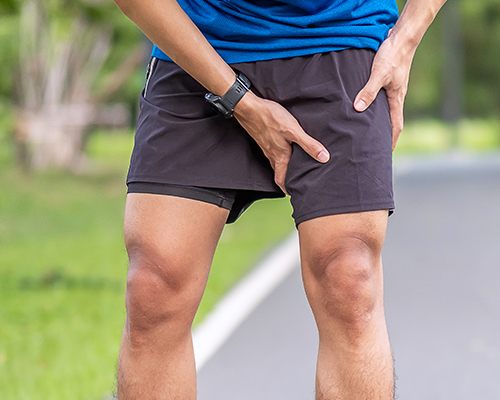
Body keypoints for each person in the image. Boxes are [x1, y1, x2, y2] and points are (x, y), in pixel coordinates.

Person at [112, 0, 446, 398]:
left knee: (349, 281)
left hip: (339, 40)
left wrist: (406, 37)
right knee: (154, 288)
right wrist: (240, 99)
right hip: (196, 47)